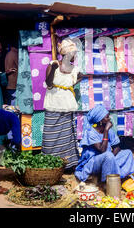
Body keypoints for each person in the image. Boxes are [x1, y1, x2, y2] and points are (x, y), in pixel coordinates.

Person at [42, 38, 82, 172]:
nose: (74, 56)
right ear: (65, 54)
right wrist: (53, 70)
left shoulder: (75, 69)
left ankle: (68, 164)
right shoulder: (53, 64)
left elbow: (79, 77)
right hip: (53, 103)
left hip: (67, 104)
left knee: (67, 135)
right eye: (72, 53)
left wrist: (69, 86)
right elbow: (48, 83)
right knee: (50, 135)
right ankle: (50, 163)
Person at [74, 104, 134, 182]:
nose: (109, 118)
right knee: (108, 155)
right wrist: (106, 131)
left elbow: (117, 147)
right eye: (107, 117)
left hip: (108, 158)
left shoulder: (110, 131)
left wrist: (111, 160)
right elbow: (102, 150)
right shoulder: (91, 133)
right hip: (94, 162)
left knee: (128, 153)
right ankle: (105, 182)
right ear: (100, 120)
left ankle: (118, 176)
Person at [4, 41, 18, 105]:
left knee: (11, 102)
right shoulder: (14, 54)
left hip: (10, 84)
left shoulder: (8, 54)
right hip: (14, 84)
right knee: (14, 104)